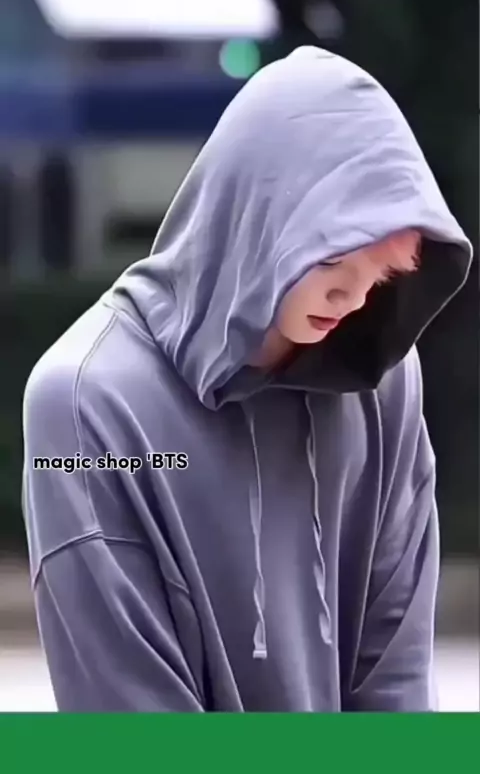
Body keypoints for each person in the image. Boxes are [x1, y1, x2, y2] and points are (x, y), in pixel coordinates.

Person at [22, 47, 472, 712]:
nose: (352, 297)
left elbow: (397, 676)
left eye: (382, 276)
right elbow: (129, 716)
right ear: (257, 216)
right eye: (334, 260)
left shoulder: (382, 382)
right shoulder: (87, 400)